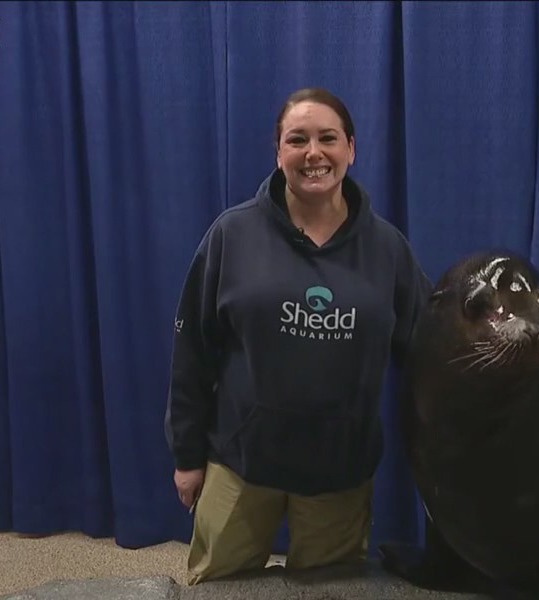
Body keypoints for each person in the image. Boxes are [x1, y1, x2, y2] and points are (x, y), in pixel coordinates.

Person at [164, 87, 432, 585]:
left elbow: (429, 352)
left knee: (332, 592)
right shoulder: (233, 234)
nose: (314, 153)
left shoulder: (388, 250)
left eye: (328, 138)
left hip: (340, 470)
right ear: (278, 152)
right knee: (220, 591)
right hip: (239, 462)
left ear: (351, 149)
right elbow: (193, 351)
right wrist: (186, 456)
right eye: (297, 140)